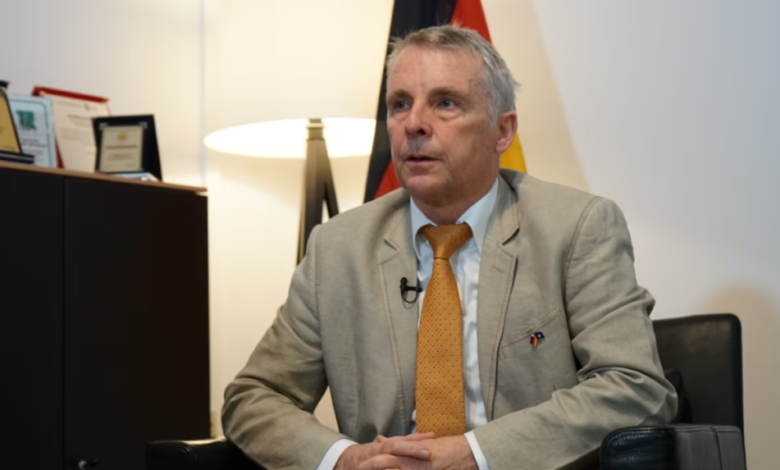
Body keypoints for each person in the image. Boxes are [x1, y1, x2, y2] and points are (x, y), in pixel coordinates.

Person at [222, 25, 677, 470]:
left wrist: (475, 455)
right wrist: (344, 459)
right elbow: (254, 397)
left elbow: (635, 388)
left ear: (502, 131)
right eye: (400, 104)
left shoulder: (576, 228)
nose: (414, 124)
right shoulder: (336, 248)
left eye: (445, 103)